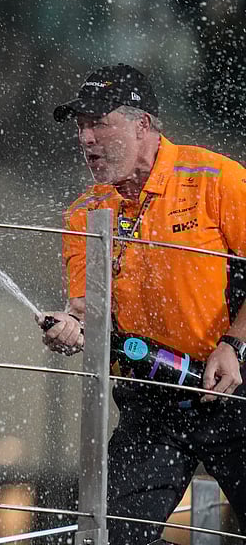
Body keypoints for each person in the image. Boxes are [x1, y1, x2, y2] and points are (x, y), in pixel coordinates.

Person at [41, 64, 246, 544]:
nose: (87, 139)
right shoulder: (85, 212)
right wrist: (69, 327)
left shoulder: (216, 179)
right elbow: (86, 309)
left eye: (99, 123)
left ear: (143, 125)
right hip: (152, 398)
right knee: (108, 535)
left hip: (237, 388)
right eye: (80, 126)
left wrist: (235, 345)